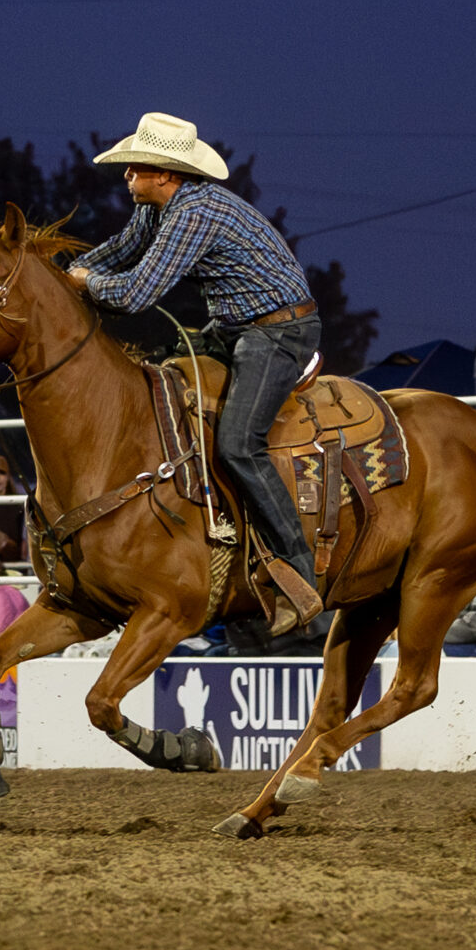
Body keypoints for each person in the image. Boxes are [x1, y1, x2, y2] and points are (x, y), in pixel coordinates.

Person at [69, 112, 322, 633]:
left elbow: (135, 293)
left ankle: (300, 571)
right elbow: (121, 250)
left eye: (136, 167)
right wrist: (62, 276)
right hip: (235, 328)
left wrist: (84, 282)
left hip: (278, 333)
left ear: (165, 173)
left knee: (239, 444)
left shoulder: (194, 214)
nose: (127, 176)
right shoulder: (158, 207)